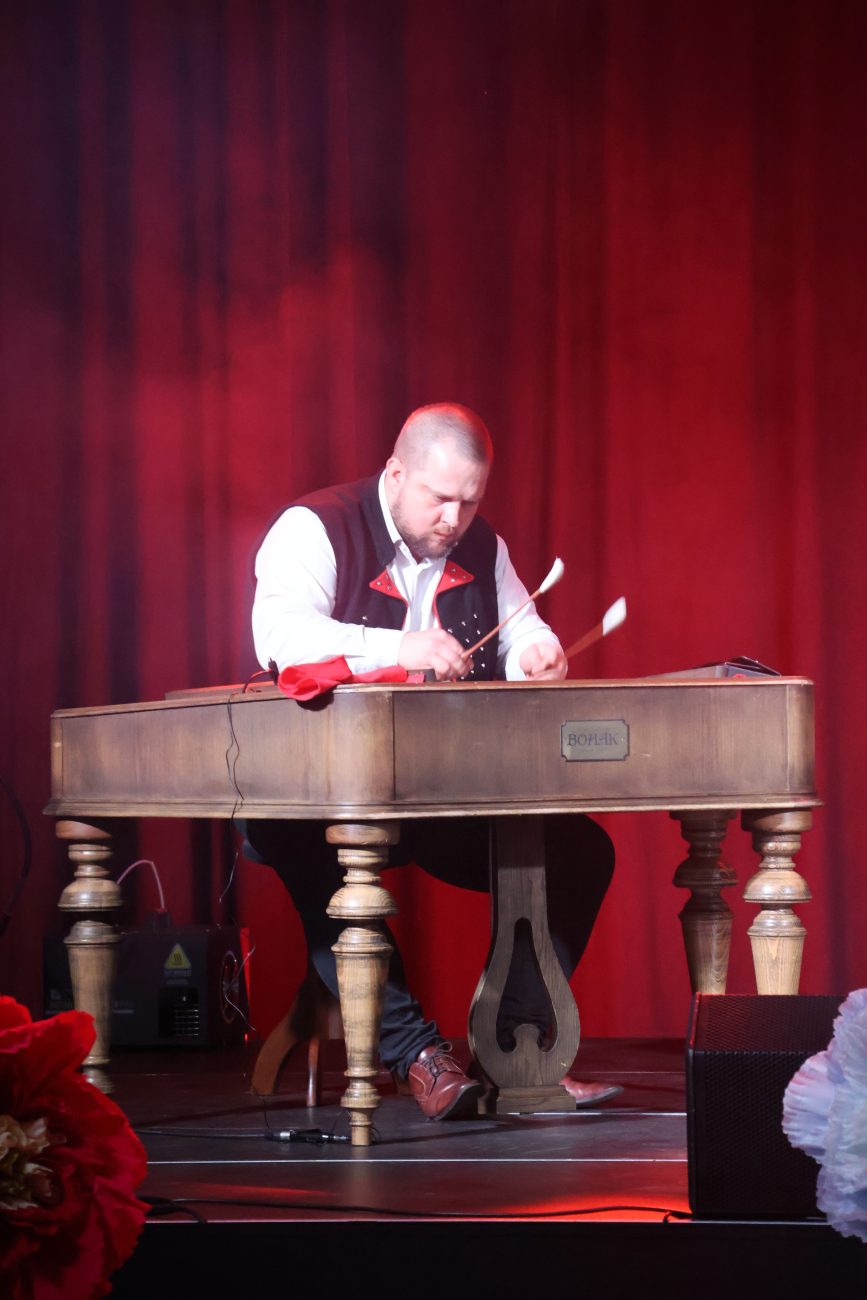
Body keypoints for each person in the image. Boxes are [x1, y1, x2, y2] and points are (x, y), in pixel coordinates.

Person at [244, 403, 617, 1119]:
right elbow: (282, 638)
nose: (454, 519)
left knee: (580, 853)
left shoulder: (482, 544)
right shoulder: (313, 527)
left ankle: (513, 1049)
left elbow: (521, 626)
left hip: (438, 791)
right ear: (395, 473)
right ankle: (417, 1055)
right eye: (439, 498)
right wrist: (397, 648)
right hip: (317, 791)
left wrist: (536, 653)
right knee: (321, 859)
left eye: (469, 501)